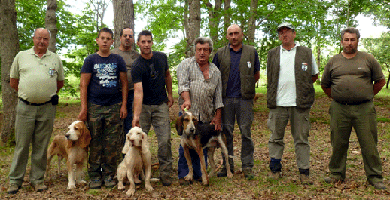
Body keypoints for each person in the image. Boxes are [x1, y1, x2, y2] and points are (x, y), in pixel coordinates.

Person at [321, 27, 386, 189]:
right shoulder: (333, 61)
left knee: (369, 143)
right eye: (346, 39)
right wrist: (337, 96)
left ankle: (374, 177)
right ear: (342, 41)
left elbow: (380, 81)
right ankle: (336, 174)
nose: (349, 43)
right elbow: (325, 84)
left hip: (364, 109)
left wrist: (366, 95)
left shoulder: (368, 59)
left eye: (352, 40)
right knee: (338, 143)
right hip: (339, 108)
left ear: (357, 40)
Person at [8, 28, 65, 194]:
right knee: (22, 146)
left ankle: (37, 180)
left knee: (41, 146)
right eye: (39, 38)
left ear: (49, 41)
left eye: (45, 39)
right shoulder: (21, 56)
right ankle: (15, 180)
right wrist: (28, 94)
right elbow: (13, 81)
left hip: (47, 108)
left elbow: (59, 83)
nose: (42, 41)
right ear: (33, 38)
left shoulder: (55, 58)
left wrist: (45, 95)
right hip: (25, 107)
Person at [266, 22, 318, 185]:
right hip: (278, 103)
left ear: (294, 34)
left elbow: (313, 76)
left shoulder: (306, 53)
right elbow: (270, 77)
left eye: (287, 31)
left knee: (301, 139)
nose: (284, 35)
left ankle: (304, 172)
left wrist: (301, 90)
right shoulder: (272, 53)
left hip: (300, 104)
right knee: (275, 138)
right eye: (281, 32)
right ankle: (275, 169)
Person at [78, 27, 128, 189]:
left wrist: (124, 105)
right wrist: (84, 109)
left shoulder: (117, 59)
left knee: (112, 143)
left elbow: (125, 84)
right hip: (95, 106)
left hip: (114, 106)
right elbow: (83, 85)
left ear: (112, 41)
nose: (105, 41)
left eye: (108, 38)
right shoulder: (90, 60)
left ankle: (109, 175)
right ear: (98, 41)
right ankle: (94, 176)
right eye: (103, 38)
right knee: (95, 142)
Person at [212, 24, 260, 180]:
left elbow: (256, 74)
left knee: (246, 133)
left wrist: (247, 88)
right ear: (227, 36)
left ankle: (247, 167)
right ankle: (228, 166)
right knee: (227, 135)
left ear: (242, 35)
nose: (234, 36)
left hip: (244, 100)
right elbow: (214, 75)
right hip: (225, 100)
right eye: (231, 34)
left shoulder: (251, 52)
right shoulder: (220, 53)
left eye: (236, 33)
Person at [176, 37, 223, 185]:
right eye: (199, 50)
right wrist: (187, 100)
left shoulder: (215, 71)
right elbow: (183, 85)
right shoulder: (185, 65)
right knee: (185, 145)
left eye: (205, 50)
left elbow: (218, 95)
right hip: (190, 114)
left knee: (200, 146)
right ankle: (185, 174)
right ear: (195, 51)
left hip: (206, 115)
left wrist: (218, 116)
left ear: (210, 51)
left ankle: (199, 173)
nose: (202, 53)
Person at [132, 30, 174, 186]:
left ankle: (166, 174)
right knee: (138, 142)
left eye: (149, 41)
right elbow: (138, 91)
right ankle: (138, 173)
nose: (146, 44)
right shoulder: (137, 65)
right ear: (138, 44)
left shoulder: (162, 57)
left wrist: (170, 94)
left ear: (152, 42)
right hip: (143, 107)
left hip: (161, 105)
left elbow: (167, 76)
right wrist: (136, 116)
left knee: (165, 140)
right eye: (143, 42)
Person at [111, 28, 140, 136]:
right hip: (115, 93)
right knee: (115, 124)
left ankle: (128, 151)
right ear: (120, 38)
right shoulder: (112, 54)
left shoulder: (137, 56)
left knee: (129, 123)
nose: (127, 38)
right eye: (125, 36)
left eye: (130, 36)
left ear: (133, 39)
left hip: (132, 93)